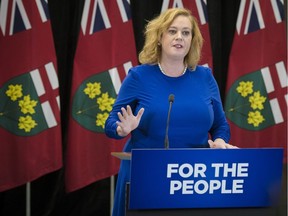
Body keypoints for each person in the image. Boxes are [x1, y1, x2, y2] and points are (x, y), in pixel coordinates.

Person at [105, 7, 237, 216]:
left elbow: (220, 125)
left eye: (186, 32)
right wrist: (121, 128)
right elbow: (111, 124)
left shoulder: (204, 77)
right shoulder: (139, 76)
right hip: (145, 175)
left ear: (192, 40)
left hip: (194, 178)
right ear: (159, 37)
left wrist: (220, 141)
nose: (179, 37)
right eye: (172, 31)